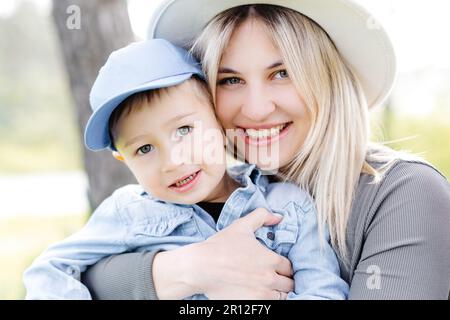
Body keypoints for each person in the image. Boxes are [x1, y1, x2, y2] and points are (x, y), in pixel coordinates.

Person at [81, 1, 450, 300]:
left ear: (328, 77)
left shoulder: (403, 193)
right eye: (231, 80)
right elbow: (82, 276)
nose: (256, 109)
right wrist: (186, 270)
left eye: (282, 73)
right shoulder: (203, 189)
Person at [22, 39, 349, 300]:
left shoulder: (289, 206)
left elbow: (324, 290)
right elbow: (50, 271)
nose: (173, 161)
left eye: (184, 130)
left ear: (218, 119)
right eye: (144, 149)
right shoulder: (130, 214)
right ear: (124, 160)